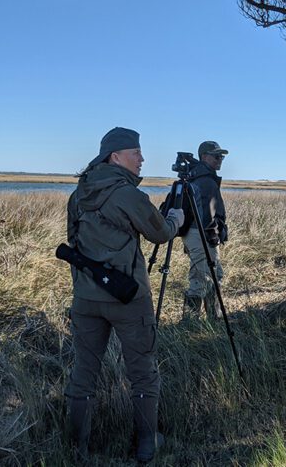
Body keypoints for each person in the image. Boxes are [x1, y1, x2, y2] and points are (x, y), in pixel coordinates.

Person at [65, 127, 185, 462]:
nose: (142, 159)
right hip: (128, 298)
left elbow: (75, 242)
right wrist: (176, 218)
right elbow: (159, 233)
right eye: (136, 153)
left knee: (84, 372)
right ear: (115, 157)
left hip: (86, 299)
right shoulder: (127, 195)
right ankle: (147, 444)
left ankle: (77, 448)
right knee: (142, 371)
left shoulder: (78, 194)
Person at [181, 141, 229, 320]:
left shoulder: (198, 175)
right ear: (204, 157)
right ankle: (189, 323)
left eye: (221, 156)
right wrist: (213, 236)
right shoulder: (204, 179)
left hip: (200, 234)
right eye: (216, 156)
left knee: (215, 275)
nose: (220, 159)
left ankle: (214, 317)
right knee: (200, 279)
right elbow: (205, 216)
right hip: (201, 234)